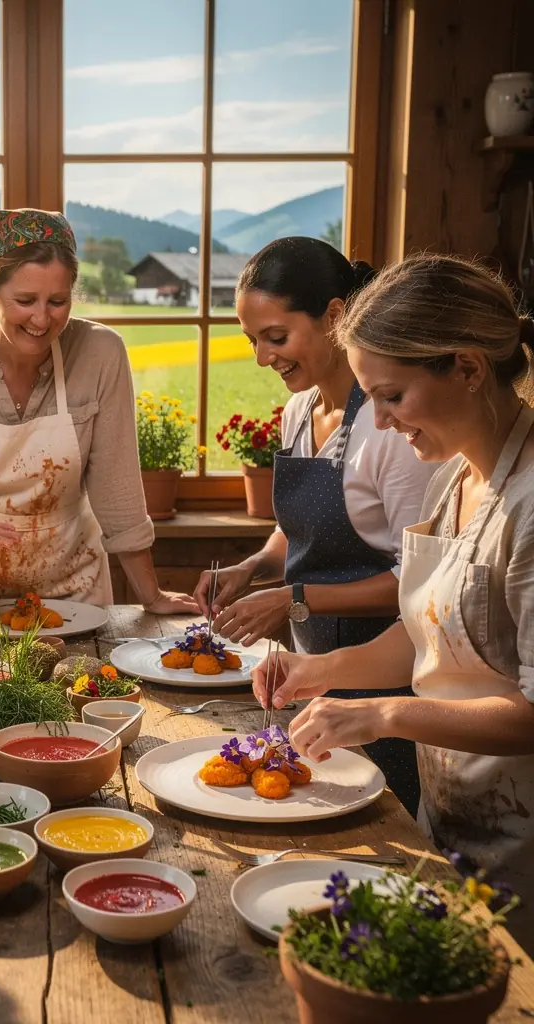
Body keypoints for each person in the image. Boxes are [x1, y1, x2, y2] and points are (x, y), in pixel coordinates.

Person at [254, 253, 534, 945]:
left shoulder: (529, 505)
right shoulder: (453, 477)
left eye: (393, 397)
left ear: (467, 368)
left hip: (522, 843)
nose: (380, 423)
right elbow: (428, 632)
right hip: (449, 817)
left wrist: (382, 713)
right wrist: (320, 671)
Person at [193, 237, 439, 814]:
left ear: (334, 316)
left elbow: (419, 585)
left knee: (386, 824)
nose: (262, 357)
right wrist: (255, 566)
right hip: (311, 674)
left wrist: (294, 598)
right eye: (252, 340)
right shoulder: (299, 411)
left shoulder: (393, 429)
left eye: (276, 337)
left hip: (386, 677)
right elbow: (300, 530)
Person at [0, 208, 197, 613]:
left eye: (57, 301)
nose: (41, 318)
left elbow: (116, 484)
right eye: (25, 300)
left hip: (70, 583)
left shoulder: (101, 352)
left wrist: (151, 596)